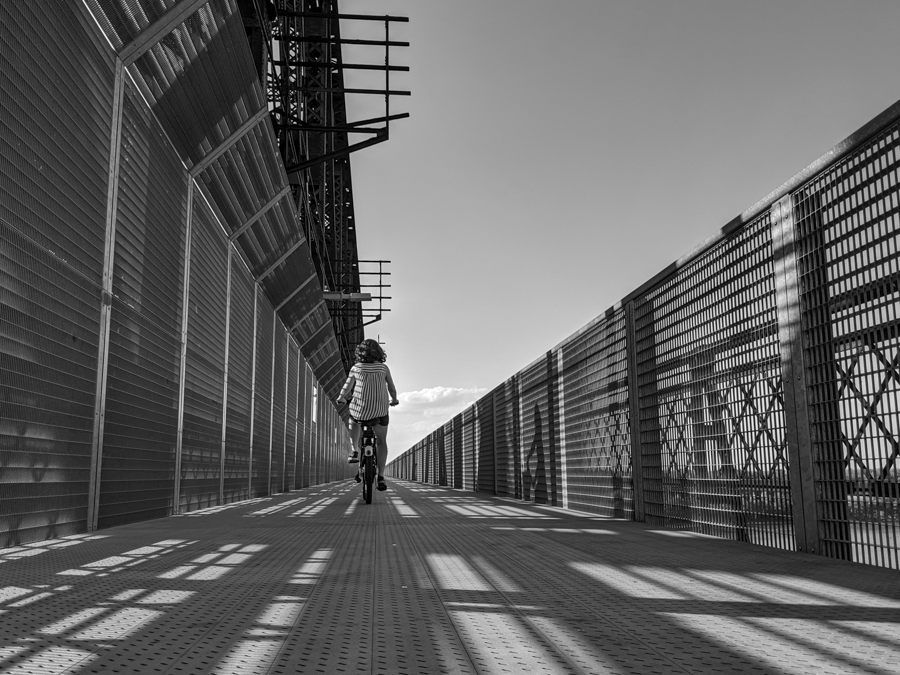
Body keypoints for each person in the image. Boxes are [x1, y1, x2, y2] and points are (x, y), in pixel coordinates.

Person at [336, 339, 399, 491]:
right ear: (379, 353)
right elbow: (391, 387)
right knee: (382, 442)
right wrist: (394, 399)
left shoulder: (356, 368)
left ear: (360, 353)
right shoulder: (383, 368)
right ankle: (381, 476)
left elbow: (347, 386)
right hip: (380, 412)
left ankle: (355, 450)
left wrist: (341, 397)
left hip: (360, 411)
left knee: (353, 419)